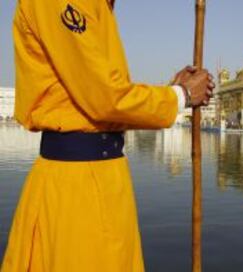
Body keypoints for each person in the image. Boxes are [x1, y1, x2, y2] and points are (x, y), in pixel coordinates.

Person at [1, 0, 214, 271]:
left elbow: (101, 103)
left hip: (103, 178)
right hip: (77, 188)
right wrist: (180, 96)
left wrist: (172, 92)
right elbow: (104, 98)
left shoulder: (98, 7)